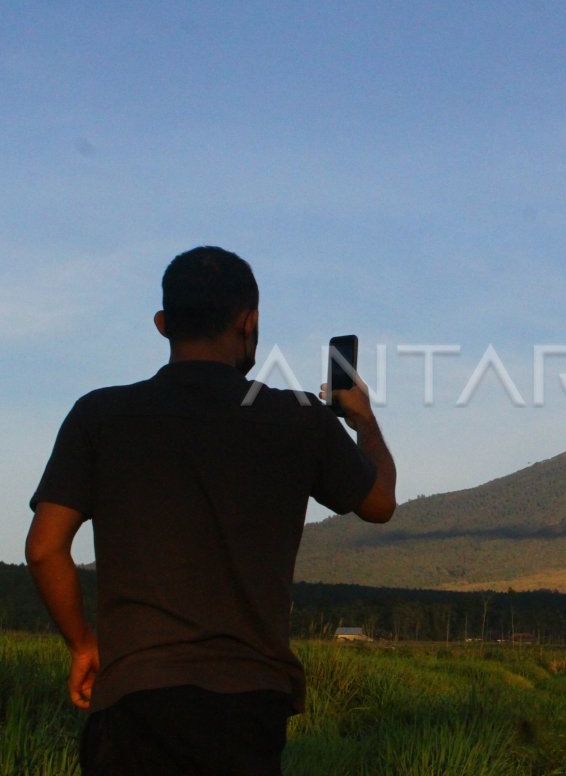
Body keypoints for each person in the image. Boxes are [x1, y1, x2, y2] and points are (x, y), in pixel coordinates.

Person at [25, 247, 397, 775]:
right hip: (247, 704)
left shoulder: (99, 415)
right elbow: (380, 503)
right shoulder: (300, 419)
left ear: (163, 324)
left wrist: (84, 646)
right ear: (250, 322)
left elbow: (43, 550)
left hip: (133, 696)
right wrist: (364, 423)